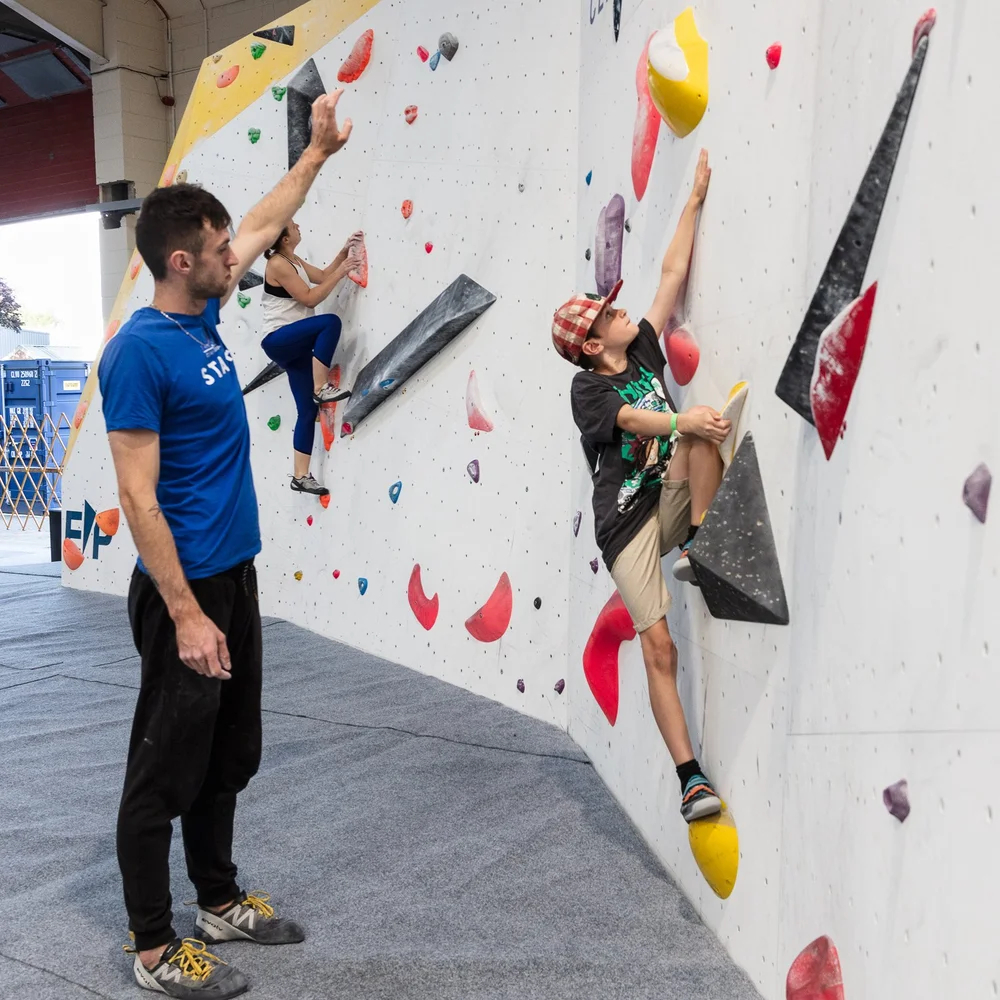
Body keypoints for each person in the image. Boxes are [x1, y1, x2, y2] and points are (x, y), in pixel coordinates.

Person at [97, 90, 353, 998]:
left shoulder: (198, 311)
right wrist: (184, 612)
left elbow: (259, 218)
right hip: (185, 591)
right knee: (161, 769)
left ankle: (215, 897)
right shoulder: (137, 353)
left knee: (226, 755)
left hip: (229, 575)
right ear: (180, 262)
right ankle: (156, 947)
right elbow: (136, 497)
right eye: (215, 252)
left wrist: (316, 152)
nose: (233, 256)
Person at [552, 150, 730, 825]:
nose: (622, 312)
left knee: (701, 432)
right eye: (609, 315)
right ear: (594, 345)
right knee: (661, 647)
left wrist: (691, 201)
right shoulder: (589, 386)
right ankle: (691, 781)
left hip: (670, 505)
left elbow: (672, 275)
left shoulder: (644, 350)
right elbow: (628, 419)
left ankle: (696, 545)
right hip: (625, 524)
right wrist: (681, 417)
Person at [260, 222, 360, 496]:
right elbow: (309, 299)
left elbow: (323, 275)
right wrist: (341, 273)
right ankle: (320, 388)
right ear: (283, 237)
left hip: (295, 348)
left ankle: (300, 476)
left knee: (307, 412)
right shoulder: (278, 264)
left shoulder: (293, 260)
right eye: (293, 225)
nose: (298, 226)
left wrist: (344, 253)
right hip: (279, 339)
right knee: (329, 323)